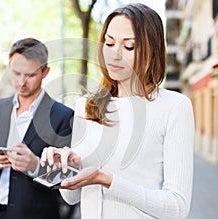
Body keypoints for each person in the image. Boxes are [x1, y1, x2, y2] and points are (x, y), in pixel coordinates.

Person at [41, 3, 195, 219]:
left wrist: (108, 180)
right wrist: (63, 168)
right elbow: (72, 197)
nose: (114, 55)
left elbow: (177, 207)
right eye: (109, 43)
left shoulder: (174, 107)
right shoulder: (86, 106)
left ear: (152, 50)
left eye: (129, 46)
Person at [0, 38, 74, 219]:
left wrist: (35, 166)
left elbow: (68, 181)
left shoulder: (63, 116)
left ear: (45, 72)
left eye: (30, 75)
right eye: (16, 73)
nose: (21, 82)